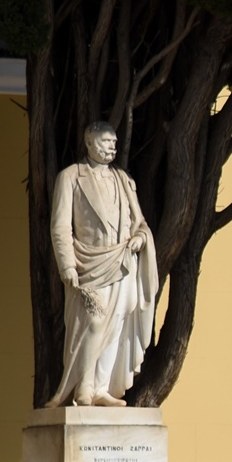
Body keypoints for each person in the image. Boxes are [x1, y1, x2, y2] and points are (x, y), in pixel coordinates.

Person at [46, 120, 159, 407]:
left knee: (117, 322)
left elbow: (140, 223)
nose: (113, 146)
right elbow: (60, 226)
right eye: (107, 141)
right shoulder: (70, 177)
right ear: (89, 142)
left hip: (122, 262)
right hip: (88, 263)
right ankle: (82, 387)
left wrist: (140, 239)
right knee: (92, 323)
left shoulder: (123, 180)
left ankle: (100, 386)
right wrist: (67, 265)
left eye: (114, 142)